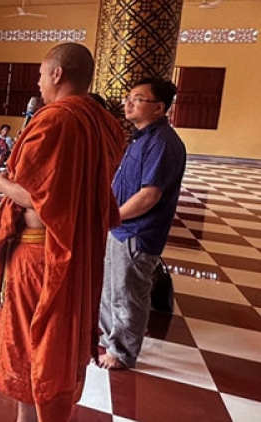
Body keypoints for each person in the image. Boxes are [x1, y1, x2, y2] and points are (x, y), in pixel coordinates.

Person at [0, 43, 123, 422]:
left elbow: (37, 197)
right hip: (73, 248)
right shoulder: (102, 121)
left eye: (42, 75)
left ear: (58, 74)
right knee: (49, 340)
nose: (39, 83)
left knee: (30, 340)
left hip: (39, 252)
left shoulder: (55, 120)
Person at [98, 78, 186, 371]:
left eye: (138, 98)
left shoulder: (162, 142)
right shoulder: (142, 138)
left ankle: (122, 352)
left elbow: (149, 195)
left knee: (128, 293)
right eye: (129, 97)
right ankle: (112, 338)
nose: (128, 103)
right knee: (111, 289)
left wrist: (113, 216)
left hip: (138, 232)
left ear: (159, 108)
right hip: (121, 227)